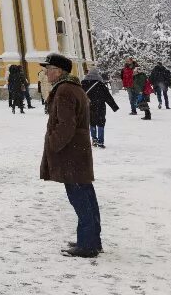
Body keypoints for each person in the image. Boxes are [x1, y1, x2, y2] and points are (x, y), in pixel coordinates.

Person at [38, 53, 102, 258]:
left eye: (48, 69)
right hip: (78, 153)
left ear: (58, 71)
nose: (46, 73)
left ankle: (88, 245)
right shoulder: (73, 87)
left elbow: (66, 125)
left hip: (71, 155)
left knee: (80, 199)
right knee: (86, 197)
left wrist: (52, 144)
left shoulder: (64, 90)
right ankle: (91, 240)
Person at [82, 67, 119, 148]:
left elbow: (80, 96)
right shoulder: (100, 84)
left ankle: (94, 139)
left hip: (89, 106)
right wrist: (114, 107)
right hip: (100, 106)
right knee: (101, 123)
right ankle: (100, 141)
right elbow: (108, 97)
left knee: (92, 122)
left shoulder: (83, 83)